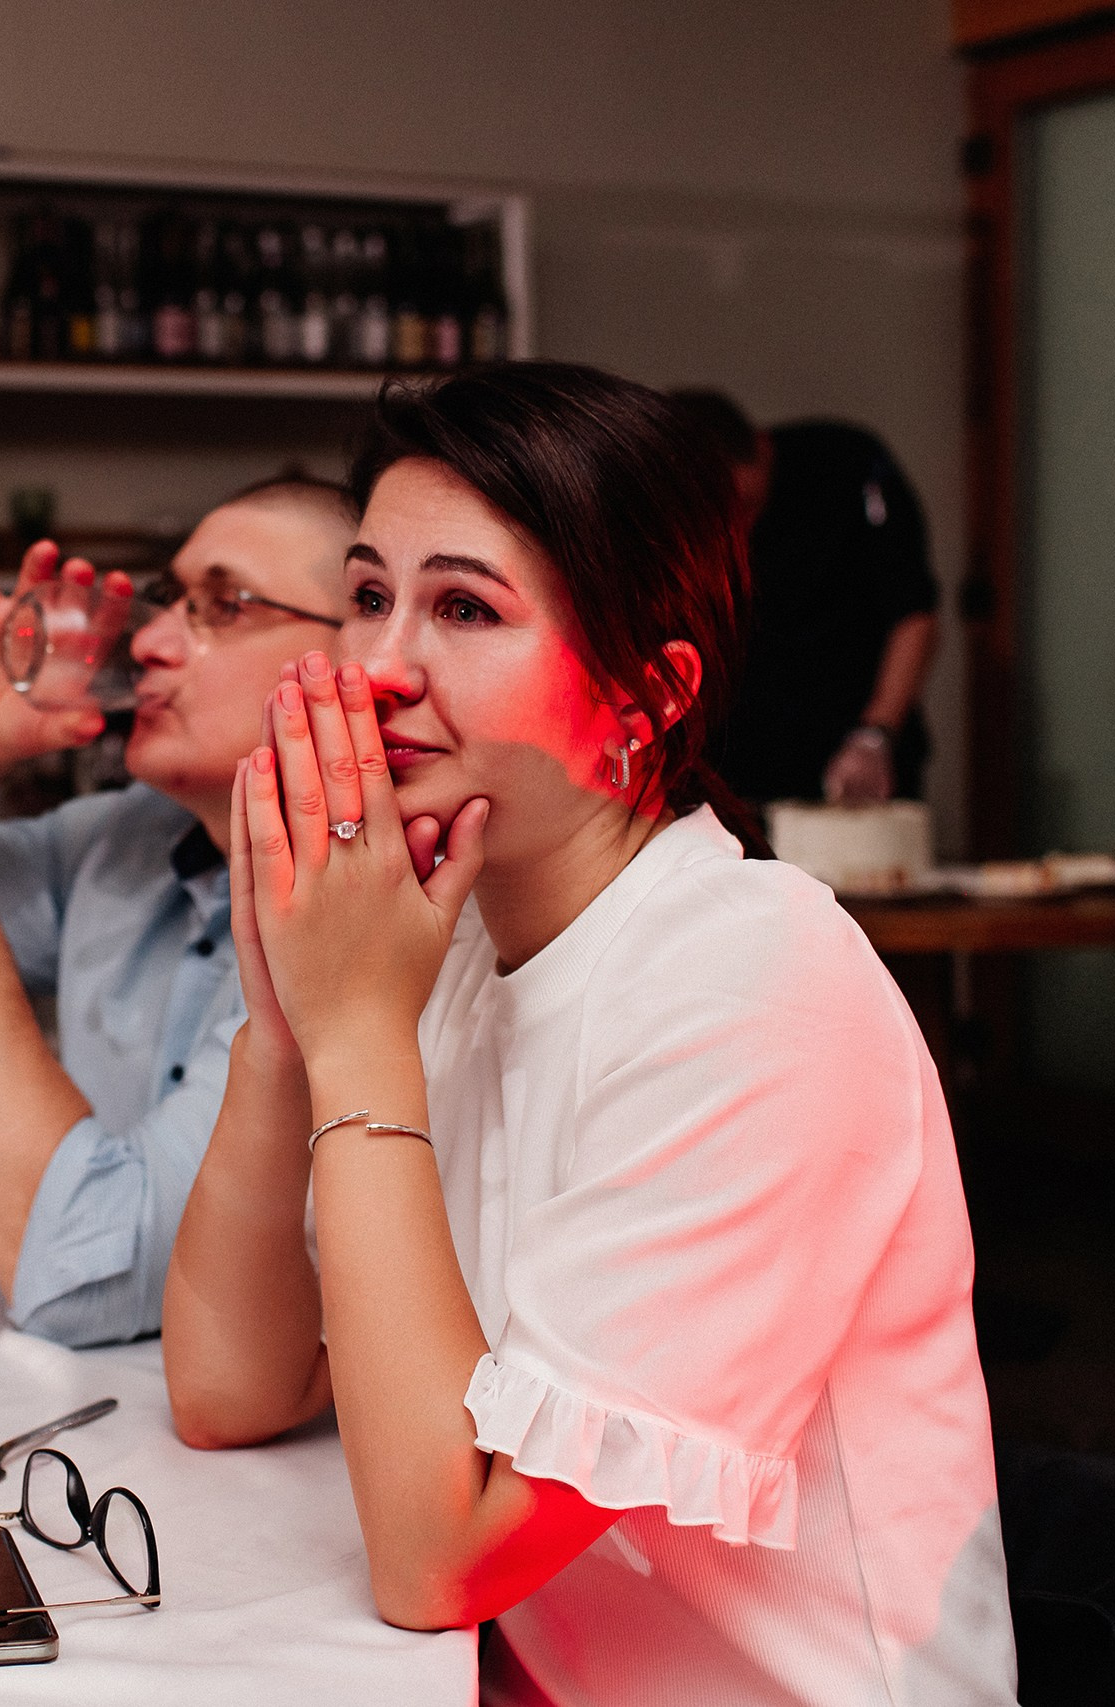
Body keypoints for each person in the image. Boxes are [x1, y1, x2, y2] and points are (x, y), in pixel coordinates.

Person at [163, 366, 1014, 1703]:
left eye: (462, 607)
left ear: (649, 690)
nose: (378, 668)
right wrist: (287, 1022)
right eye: (370, 596)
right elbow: (228, 1387)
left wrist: (361, 1029)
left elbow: (444, 1553)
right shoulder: (437, 941)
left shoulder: (750, 977)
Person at [0, 480, 357, 1345]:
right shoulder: (123, 838)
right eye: (167, 598)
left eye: (222, 606)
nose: (148, 640)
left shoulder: (359, 922)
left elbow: (87, 1280)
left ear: (359, 657)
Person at [673, 390, 940, 807]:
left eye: (742, 506)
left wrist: (876, 735)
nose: (735, 532)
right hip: (738, 773)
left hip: (856, 755)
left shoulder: (849, 467)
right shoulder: (673, 524)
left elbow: (914, 613)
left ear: (761, 447)